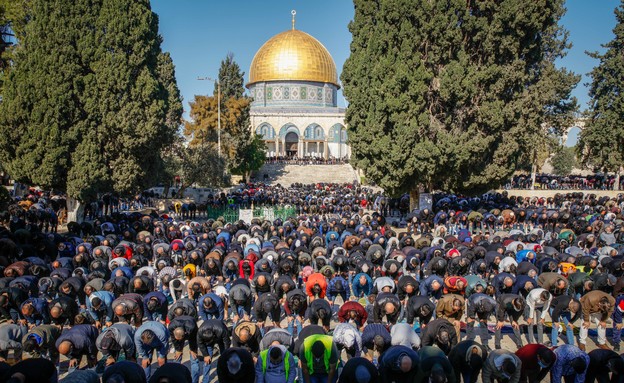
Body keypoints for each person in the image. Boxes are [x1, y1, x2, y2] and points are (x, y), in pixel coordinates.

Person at [197, 319, 231, 383]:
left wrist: (225, 354)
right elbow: (200, 343)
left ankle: (224, 377)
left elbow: (226, 342)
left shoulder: (221, 330)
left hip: (220, 338)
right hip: (208, 343)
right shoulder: (200, 332)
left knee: (225, 359)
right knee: (207, 361)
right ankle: (205, 381)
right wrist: (206, 355)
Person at [168, 315, 199, 383]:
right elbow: (174, 340)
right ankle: (176, 379)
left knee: (194, 358)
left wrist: (192, 349)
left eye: (181, 339)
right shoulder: (171, 327)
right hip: (179, 329)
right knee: (177, 356)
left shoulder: (191, 328)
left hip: (192, 331)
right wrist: (178, 349)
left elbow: (193, 339)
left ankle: (194, 381)